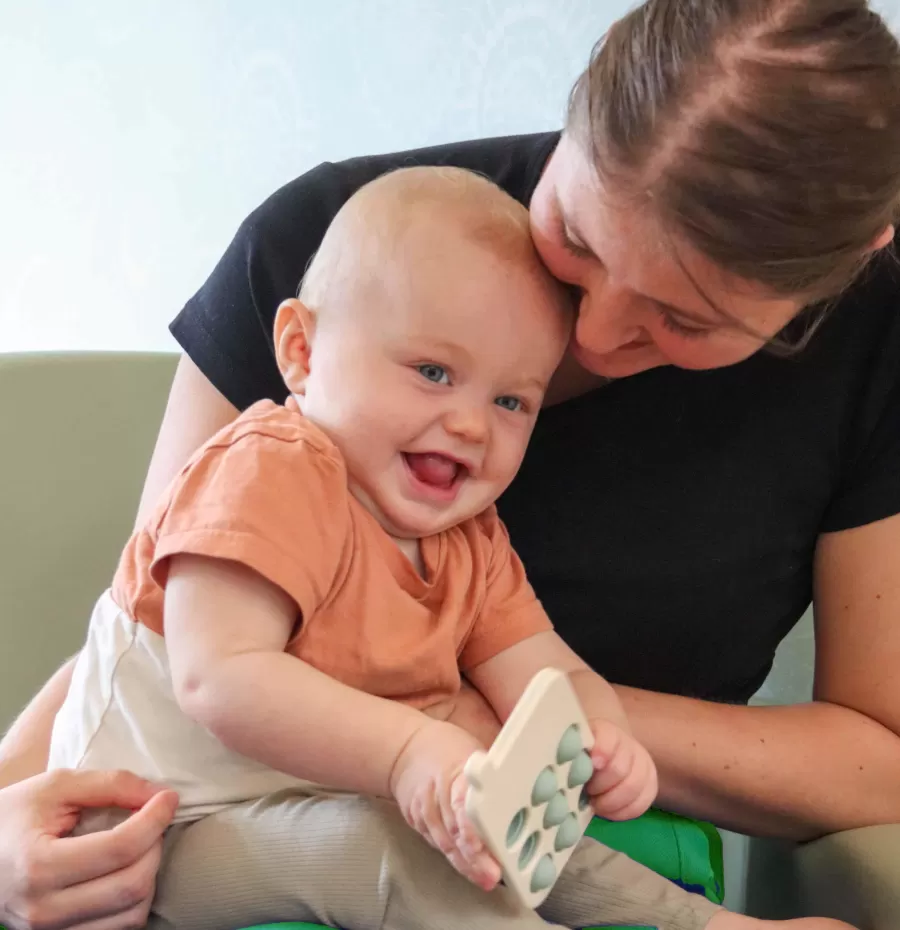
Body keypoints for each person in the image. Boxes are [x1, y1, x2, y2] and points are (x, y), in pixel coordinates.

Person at [3, 0, 900, 927]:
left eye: (687, 320)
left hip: (495, 801)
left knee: (534, 862)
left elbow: (543, 668)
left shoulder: (469, 530)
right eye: (578, 240)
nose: (583, 337)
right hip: (211, 817)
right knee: (404, 861)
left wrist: (585, 734)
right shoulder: (329, 293)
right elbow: (162, 638)